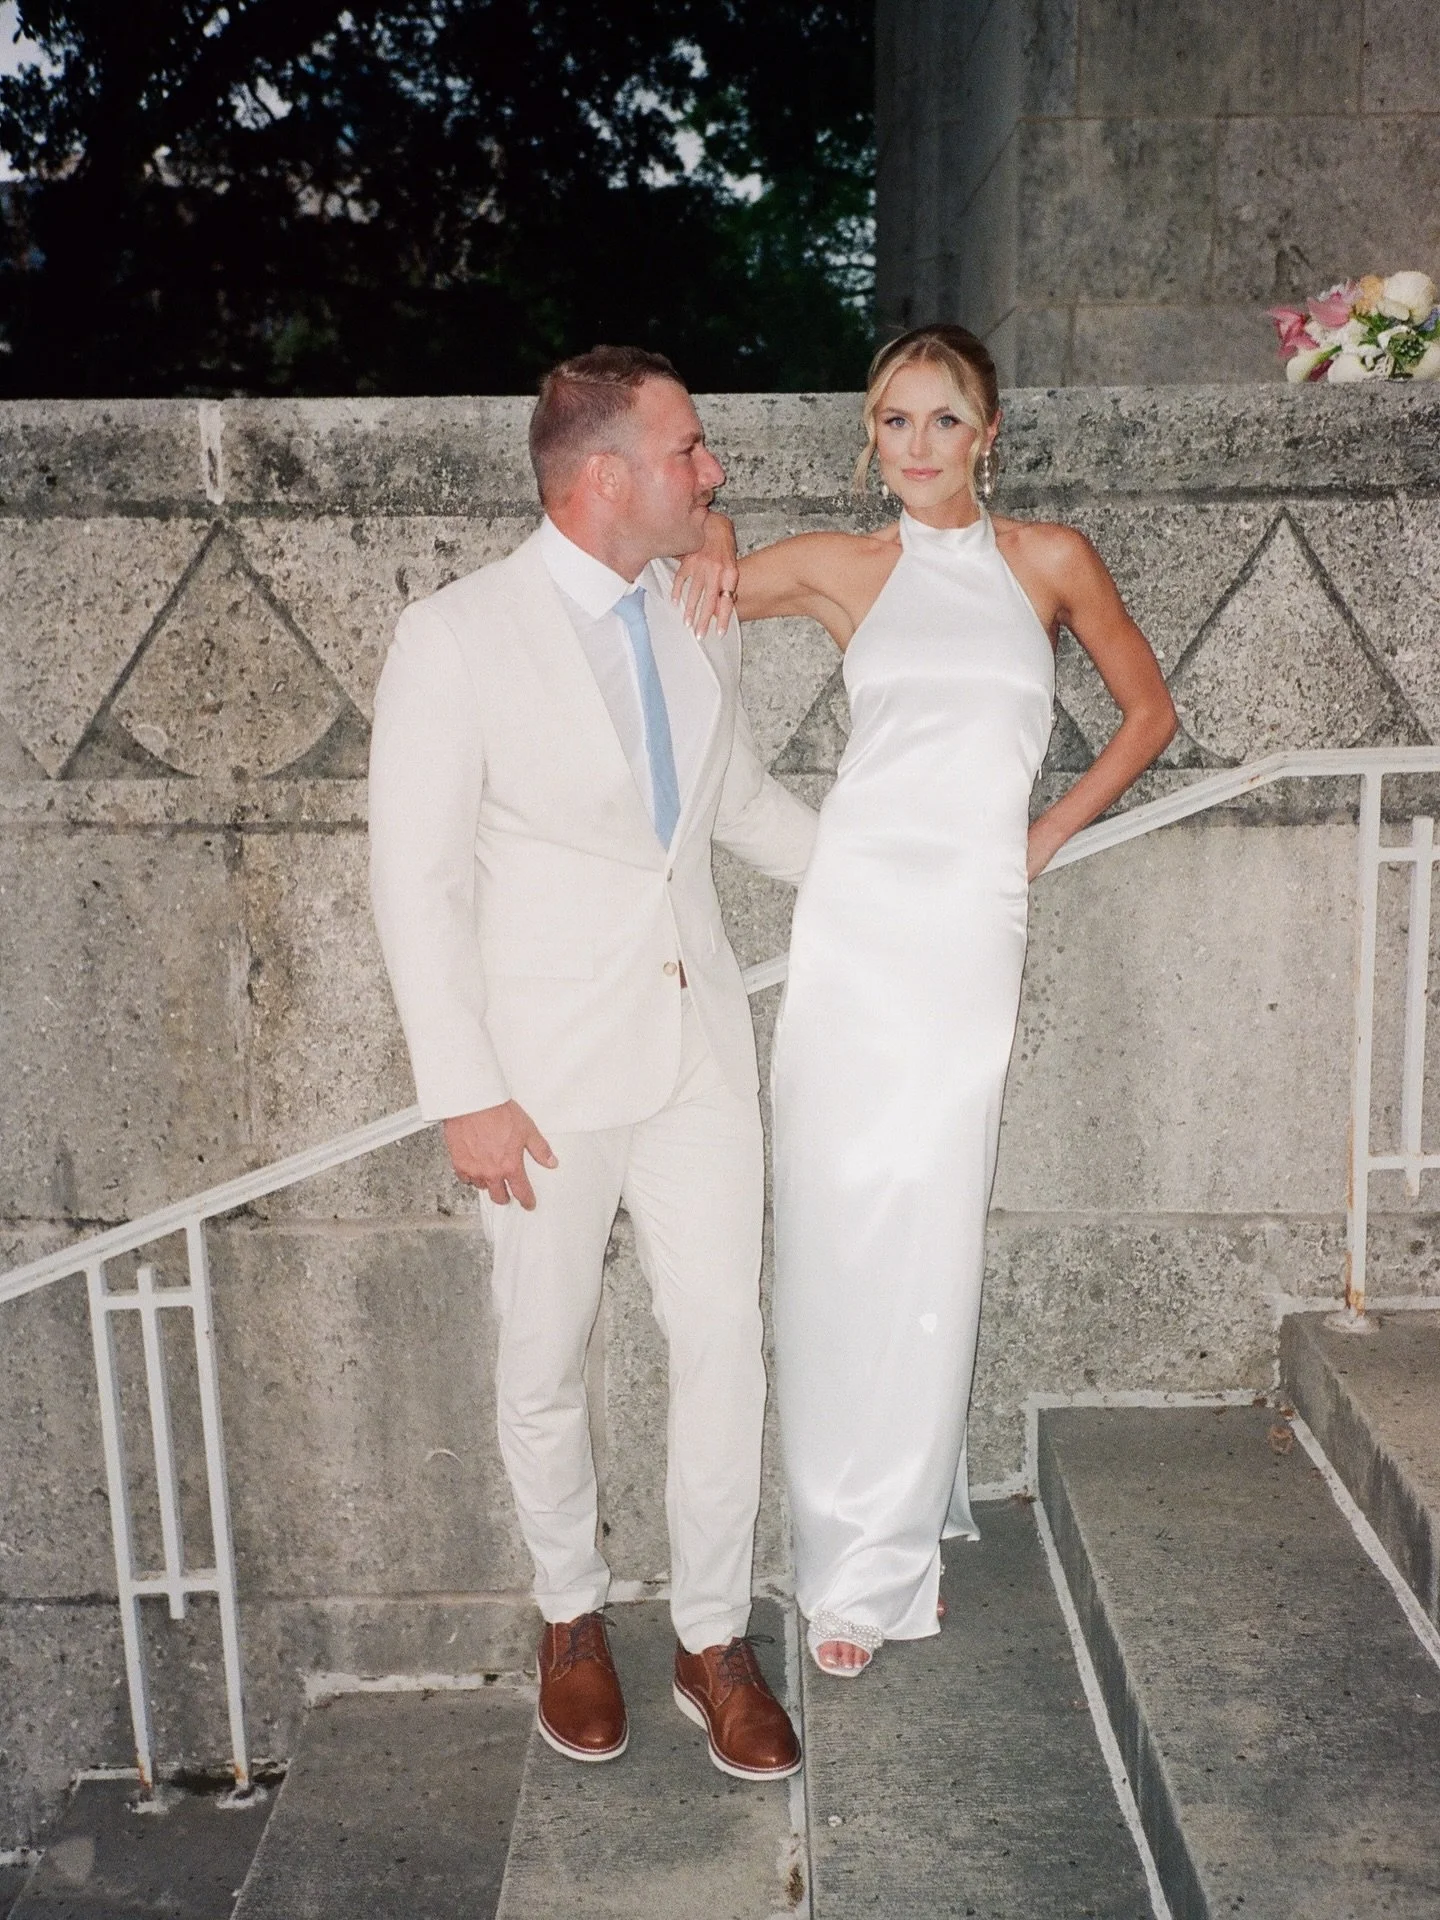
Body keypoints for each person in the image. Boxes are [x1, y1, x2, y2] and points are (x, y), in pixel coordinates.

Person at [675, 324, 1176, 1676]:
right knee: (837, 1222)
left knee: (930, 1218)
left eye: (941, 421)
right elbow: (691, 571)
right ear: (870, 437)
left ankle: (889, 1555)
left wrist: (1042, 836)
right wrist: (714, 535)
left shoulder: (1051, 560)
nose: (915, 447)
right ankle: (851, 1558)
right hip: (854, 918)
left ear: (988, 432)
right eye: (894, 422)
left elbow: (1148, 714)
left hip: (966, 924)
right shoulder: (847, 569)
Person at [368, 345, 818, 1775]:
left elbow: (735, 800)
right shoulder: (452, 637)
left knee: (722, 1342)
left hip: (696, 1049)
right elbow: (416, 882)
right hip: (540, 1085)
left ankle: (708, 1632)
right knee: (543, 1352)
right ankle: (570, 1614)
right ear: (607, 474)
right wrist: (465, 1093)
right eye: (692, 451)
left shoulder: (694, 606)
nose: (716, 473)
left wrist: (899, 887)